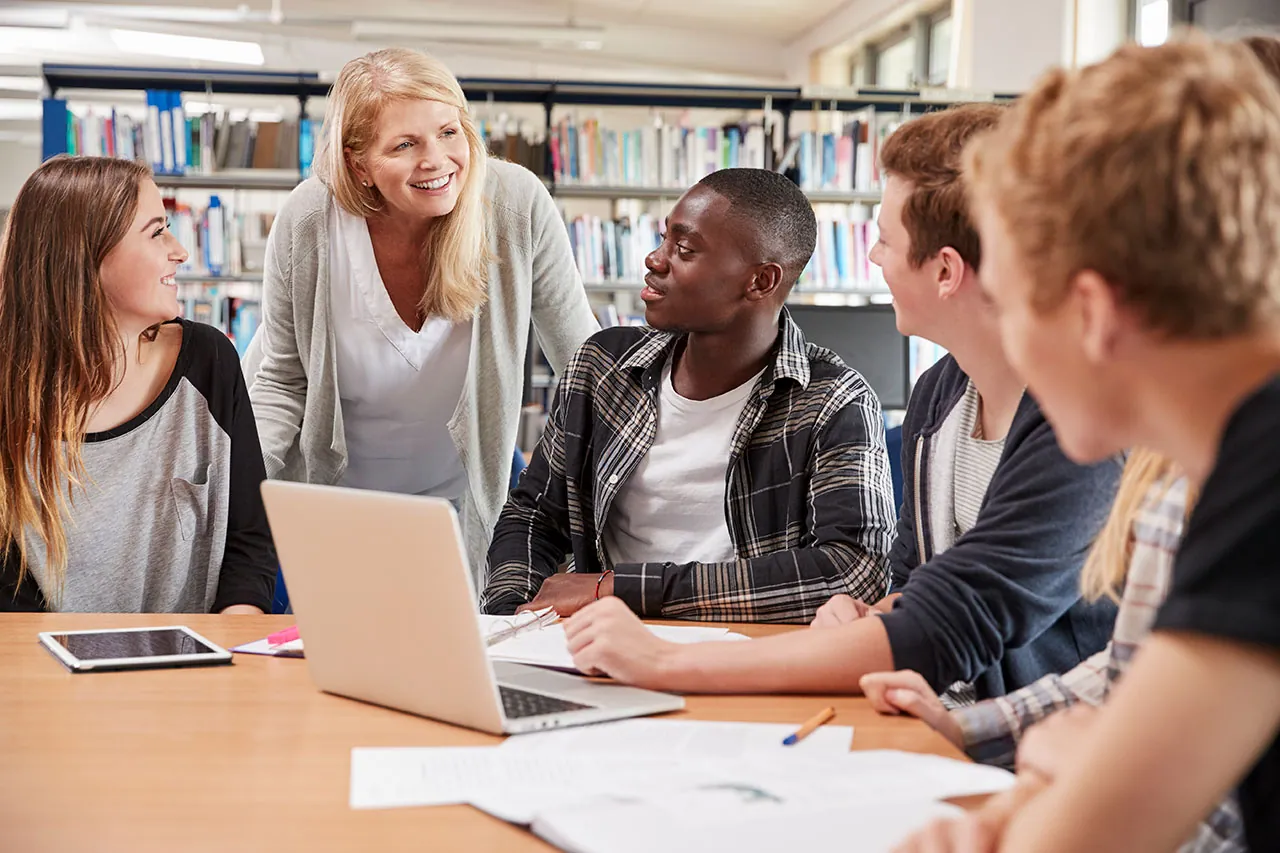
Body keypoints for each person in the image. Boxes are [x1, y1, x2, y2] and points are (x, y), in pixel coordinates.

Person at [559, 106, 1121, 698]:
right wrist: (869, 616)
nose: (874, 258)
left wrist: (665, 664)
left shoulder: (1081, 426)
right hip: (940, 721)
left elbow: (959, 618)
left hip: (1047, 751)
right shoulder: (939, 397)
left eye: (884, 239)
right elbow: (913, 584)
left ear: (946, 271)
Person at [895, 36, 1280, 853]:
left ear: (1094, 314)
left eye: (1014, 300)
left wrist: (1059, 777)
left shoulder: (1264, 476)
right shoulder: (1226, 460)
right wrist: (1058, 772)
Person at [479, 168, 897, 622]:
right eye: (663, 240)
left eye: (684, 249)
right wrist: (510, 619)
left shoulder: (833, 400)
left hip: (746, 661)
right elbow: (533, 516)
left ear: (760, 281)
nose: (655, 260)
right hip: (598, 648)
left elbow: (856, 569)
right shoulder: (603, 367)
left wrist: (621, 589)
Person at [243, 48, 599, 576]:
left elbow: (585, 366)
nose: (436, 160)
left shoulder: (515, 205)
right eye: (405, 144)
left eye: (448, 132)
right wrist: (240, 501)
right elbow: (280, 380)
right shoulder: (309, 220)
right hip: (327, 496)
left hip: (459, 496)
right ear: (357, 163)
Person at [862, 449, 1244, 853]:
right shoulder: (1166, 467)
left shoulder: (1248, 490)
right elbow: (1129, 667)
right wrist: (962, 730)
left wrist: (1093, 789)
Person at [0, 156, 275, 613]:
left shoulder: (209, 362)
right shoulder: (11, 399)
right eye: (156, 232)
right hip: (50, 673)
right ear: (84, 257)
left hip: (201, 670)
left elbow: (250, 545)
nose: (181, 252)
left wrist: (236, 652)